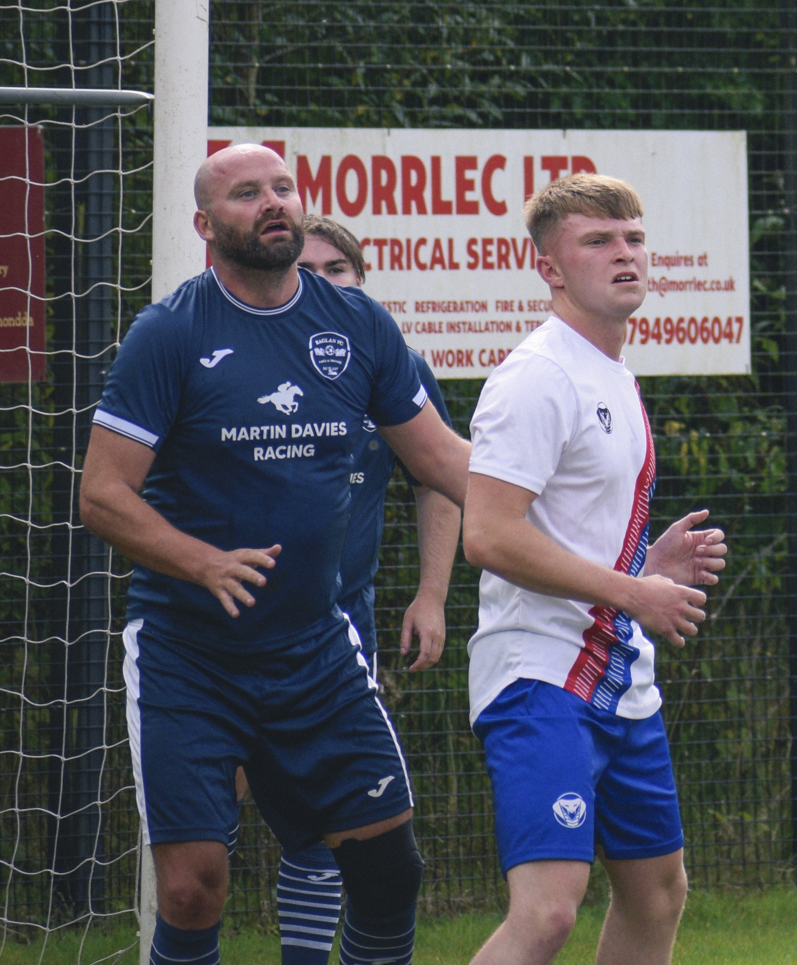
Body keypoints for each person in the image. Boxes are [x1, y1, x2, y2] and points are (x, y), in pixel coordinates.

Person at [82, 143, 472, 965]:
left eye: (284, 187)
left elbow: (441, 461)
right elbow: (103, 494)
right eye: (246, 192)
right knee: (191, 886)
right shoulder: (170, 333)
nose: (272, 202)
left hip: (315, 648)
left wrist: (565, 518)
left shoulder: (355, 322)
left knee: (389, 869)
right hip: (191, 652)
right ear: (204, 224)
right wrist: (202, 562)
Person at [461, 173, 729, 965]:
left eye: (634, 238)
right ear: (548, 265)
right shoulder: (536, 376)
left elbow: (565, 535)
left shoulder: (610, 370)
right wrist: (633, 590)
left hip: (620, 676)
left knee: (657, 892)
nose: (625, 254)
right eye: (599, 241)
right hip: (540, 676)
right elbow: (489, 535)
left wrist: (650, 564)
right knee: (545, 914)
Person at [261, 217, 465, 965]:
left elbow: (439, 479)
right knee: (202, 855)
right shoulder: (239, 360)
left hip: (341, 632)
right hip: (225, 639)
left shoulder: (390, 360)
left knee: (332, 827)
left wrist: (432, 594)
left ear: (362, 276)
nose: (321, 280)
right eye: (306, 267)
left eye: (337, 267)